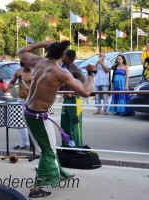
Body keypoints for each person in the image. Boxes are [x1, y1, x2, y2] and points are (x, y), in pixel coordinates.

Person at [17, 41, 96, 198]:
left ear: (47, 52)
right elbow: (86, 92)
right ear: (62, 56)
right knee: (48, 152)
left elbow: (21, 51)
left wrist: (41, 43)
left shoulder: (38, 62)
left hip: (30, 113)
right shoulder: (61, 72)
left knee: (51, 148)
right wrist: (92, 74)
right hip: (38, 117)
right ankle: (36, 189)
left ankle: (58, 172)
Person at [60, 50, 86, 147]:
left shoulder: (76, 70)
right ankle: (66, 146)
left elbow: (85, 85)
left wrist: (73, 92)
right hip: (66, 100)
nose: (62, 58)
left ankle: (78, 148)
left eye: (63, 56)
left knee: (75, 126)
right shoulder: (63, 68)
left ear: (67, 58)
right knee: (64, 125)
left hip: (75, 100)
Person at [7, 61, 31, 150]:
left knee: (31, 122)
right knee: (19, 121)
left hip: (30, 100)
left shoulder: (34, 72)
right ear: (23, 63)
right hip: (20, 99)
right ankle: (23, 144)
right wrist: (7, 87)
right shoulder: (18, 72)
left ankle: (33, 144)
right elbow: (12, 82)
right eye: (28, 62)